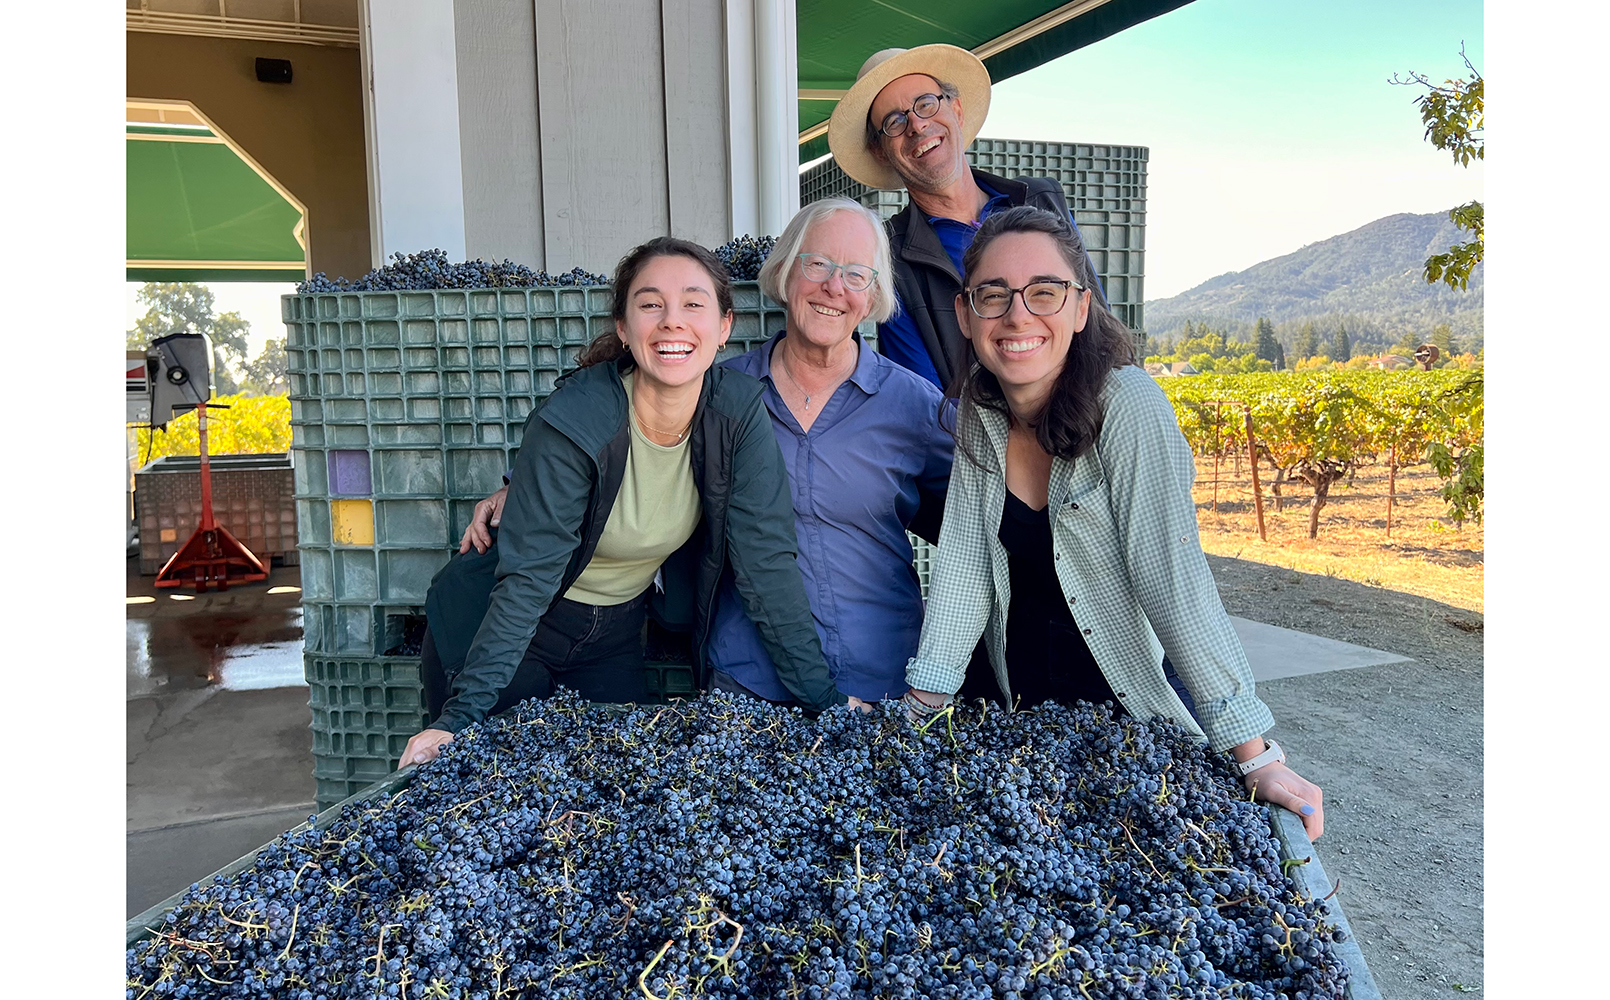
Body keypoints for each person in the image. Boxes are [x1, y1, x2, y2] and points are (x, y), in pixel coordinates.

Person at [900, 206, 1326, 840]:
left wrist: (1251, 749)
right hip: (1018, 717)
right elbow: (962, 563)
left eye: (1044, 292)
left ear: (1080, 308)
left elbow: (1172, 580)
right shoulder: (979, 414)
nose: (1018, 315)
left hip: (1122, 723)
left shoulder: (1126, 407)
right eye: (994, 295)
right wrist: (920, 710)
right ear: (967, 315)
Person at [399, 238, 847, 768]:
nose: (672, 321)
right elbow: (526, 584)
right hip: (503, 624)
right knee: (494, 788)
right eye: (651, 303)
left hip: (613, 635)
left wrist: (827, 705)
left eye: (694, 304)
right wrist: (459, 719)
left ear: (724, 327)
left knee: (605, 801)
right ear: (623, 326)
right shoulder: (575, 419)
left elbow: (766, 565)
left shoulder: (736, 413)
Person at [708, 198, 953, 704]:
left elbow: (978, 519)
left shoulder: (913, 406)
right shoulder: (719, 394)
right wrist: (520, 490)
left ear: (873, 296)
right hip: (749, 683)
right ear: (784, 272)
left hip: (885, 680)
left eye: (857, 274)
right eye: (817, 263)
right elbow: (634, 431)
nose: (834, 287)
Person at [826, 44, 1111, 392]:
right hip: (978, 441)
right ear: (880, 152)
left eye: (926, 103)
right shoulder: (888, 258)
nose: (916, 124)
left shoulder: (1041, 198)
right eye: (894, 122)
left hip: (1085, 418)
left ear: (957, 109)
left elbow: (1100, 329)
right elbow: (927, 405)